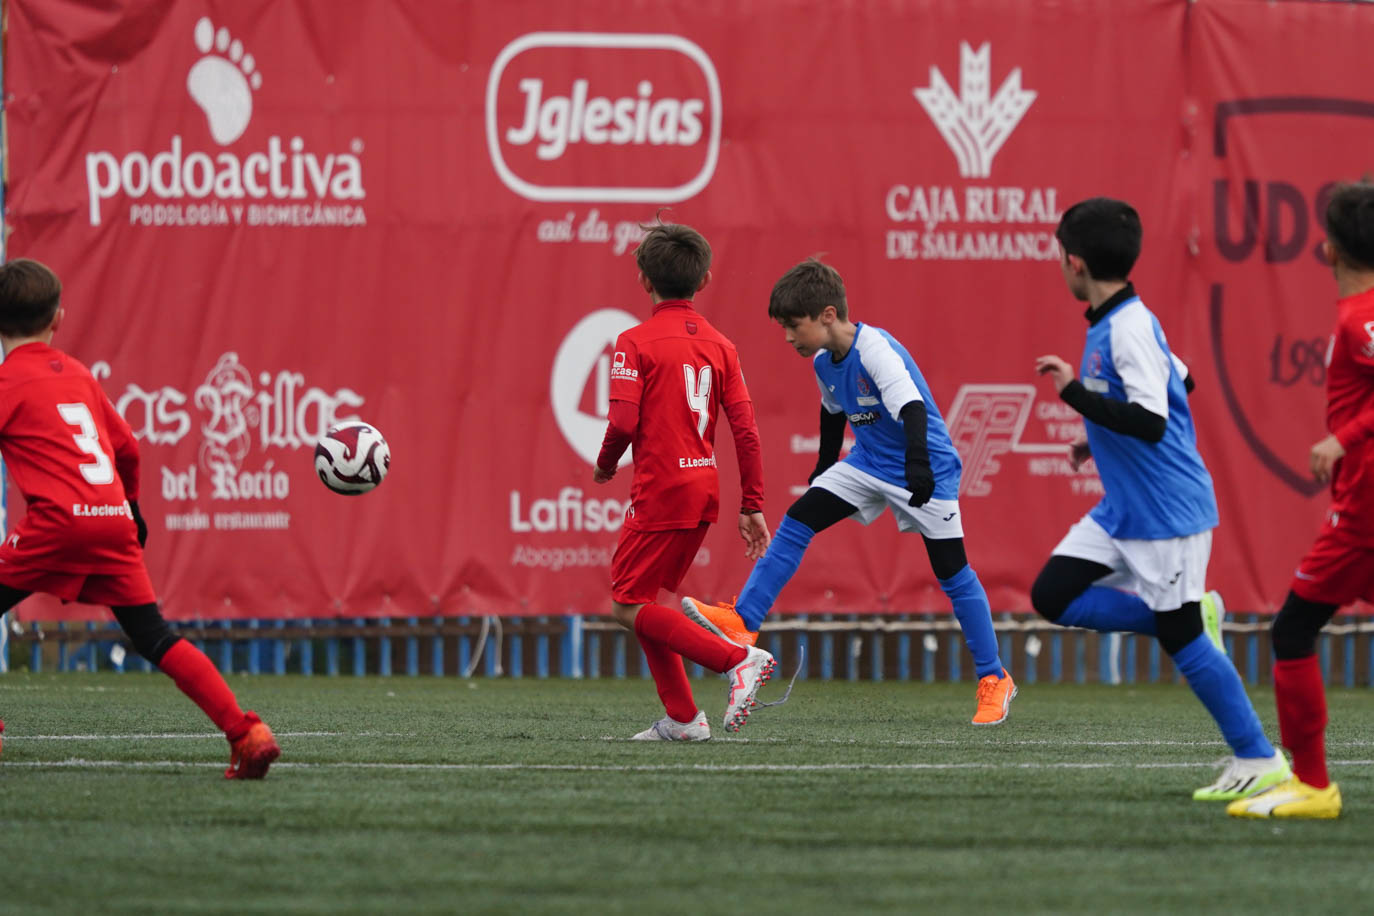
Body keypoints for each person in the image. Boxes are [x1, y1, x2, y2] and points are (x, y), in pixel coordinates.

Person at [683, 257, 1017, 726]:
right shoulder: (823, 361)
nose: (787, 337)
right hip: (868, 463)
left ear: (826, 315)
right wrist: (824, 466)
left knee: (953, 573)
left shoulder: (875, 349)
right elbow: (832, 411)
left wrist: (919, 465)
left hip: (927, 467)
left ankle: (994, 677)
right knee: (800, 518)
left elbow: (914, 409)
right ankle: (744, 620)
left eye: (793, 326)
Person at [1028, 197, 1287, 802]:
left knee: (1182, 638)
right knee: (1052, 595)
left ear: (1074, 262)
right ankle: (1193, 616)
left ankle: (1259, 756)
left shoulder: (1127, 326)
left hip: (1168, 513)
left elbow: (1148, 418)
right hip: (1126, 507)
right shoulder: (1118, 320)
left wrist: (1075, 396)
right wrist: (1093, 441)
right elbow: (1182, 380)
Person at [0, 258, 279, 778]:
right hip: (111, 519)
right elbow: (128, 447)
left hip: (56, 523)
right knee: (155, 636)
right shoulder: (79, 375)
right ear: (58, 317)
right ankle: (246, 732)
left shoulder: (6, 383)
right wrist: (129, 506)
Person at [592, 220, 776, 740]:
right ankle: (682, 719)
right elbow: (746, 430)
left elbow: (624, 422)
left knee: (626, 605)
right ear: (707, 278)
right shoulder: (722, 345)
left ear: (643, 281)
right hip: (704, 490)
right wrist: (752, 503)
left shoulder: (635, 341)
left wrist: (606, 463)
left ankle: (735, 660)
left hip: (663, 491)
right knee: (647, 602)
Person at [1229, 181, 1374, 819]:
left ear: (1332, 247)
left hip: (1365, 513)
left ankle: (1313, 787)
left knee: (1292, 629)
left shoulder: (1360, 317)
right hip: (1360, 501)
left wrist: (1343, 439)